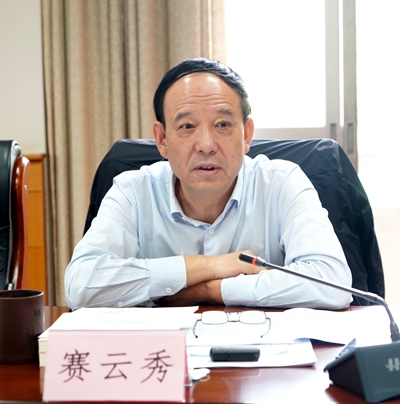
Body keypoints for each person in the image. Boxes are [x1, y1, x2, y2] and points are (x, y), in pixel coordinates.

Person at [65, 58, 352, 310]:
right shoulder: (133, 191)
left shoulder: (281, 183)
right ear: (162, 140)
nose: (206, 145)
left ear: (246, 134)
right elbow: (81, 285)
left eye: (223, 125)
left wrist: (210, 290)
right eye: (187, 126)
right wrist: (212, 265)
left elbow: (333, 283)